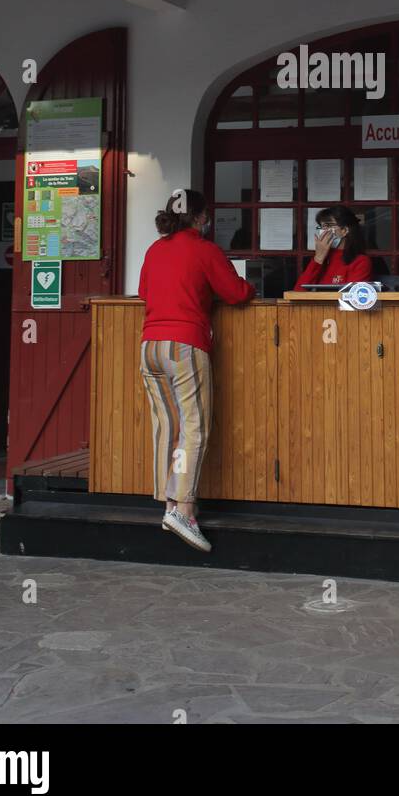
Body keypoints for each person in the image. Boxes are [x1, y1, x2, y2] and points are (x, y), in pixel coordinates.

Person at [138, 188, 254, 553]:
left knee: (166, 428)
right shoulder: (205, 250)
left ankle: (169, 504)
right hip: (184, 344)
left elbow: (144, 292)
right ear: (201, 217)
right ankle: (185, 509)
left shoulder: (155, 250)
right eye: (206, 215)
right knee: (193, 428)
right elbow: (236, 293)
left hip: (149, 346)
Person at [294, 205, 372, 289]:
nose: (323, 231)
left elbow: (352, 296)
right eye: (322, 226)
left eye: (328, 226)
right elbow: (298, 291)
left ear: (344, 230)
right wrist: (318, 258)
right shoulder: (321, 259)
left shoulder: (361, 262)